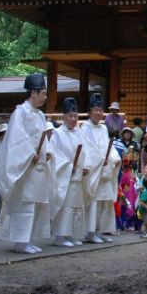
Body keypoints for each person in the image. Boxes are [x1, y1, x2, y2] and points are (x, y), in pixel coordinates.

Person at [0, 73, 59, 254]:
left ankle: (28, 239)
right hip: (25, 167)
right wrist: (30, 155)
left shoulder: (40, 115)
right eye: (43, 93)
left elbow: (45, 139)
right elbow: (16, 139)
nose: (45, 97)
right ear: (33, 92)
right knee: (25, 204)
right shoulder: (20, 112)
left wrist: (48, 152)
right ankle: (20, 242)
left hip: (38, 168)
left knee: (36, 203)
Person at [51, 97, 91, 247]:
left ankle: (70, 234)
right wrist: (68, 166)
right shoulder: (57, 133)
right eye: (70, 116)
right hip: (65, 175)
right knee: (65, 207)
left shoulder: (80, 132)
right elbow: (55, 154)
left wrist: (85, 165)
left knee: (75, 207)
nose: (73, 119)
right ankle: (60, 236)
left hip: (78, 175)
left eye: (75, 116)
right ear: (63, 116)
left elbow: (85, 150)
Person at [82, 92, 122, 243]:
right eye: (95, 110)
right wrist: (100, 160)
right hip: (93, 169)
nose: (98, 113)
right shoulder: (85, 128)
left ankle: (100, 230)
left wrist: (115, 158)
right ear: (89, 112)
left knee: (104, 201)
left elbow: (108, 146)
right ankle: (90, 232)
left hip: (105, 169)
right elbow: (88, 149)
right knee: (93, 202)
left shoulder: (104, 128)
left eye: (100, 110)